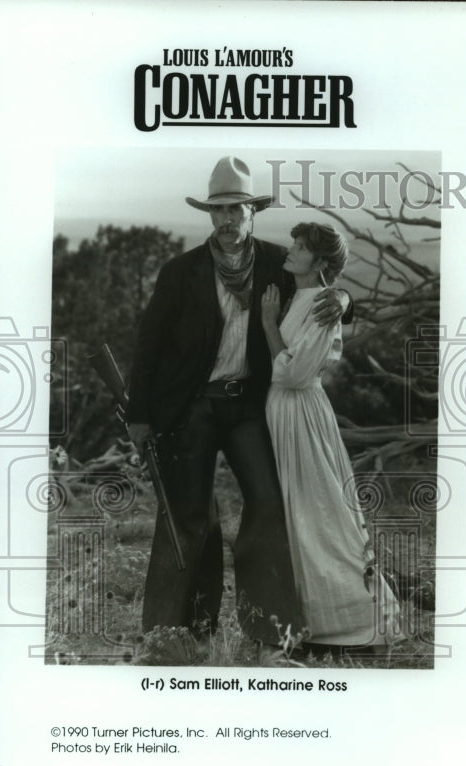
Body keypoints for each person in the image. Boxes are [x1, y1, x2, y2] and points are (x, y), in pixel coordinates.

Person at [126, 156, 352, 645]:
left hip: (249, 407)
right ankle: (177, 632)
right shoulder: (180, 272)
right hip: (192, 407)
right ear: (210, 215)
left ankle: (272, 629)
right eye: (219, 211)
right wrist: (139, 416)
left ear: (253, 212)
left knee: (269, 504)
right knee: (189, 516)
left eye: (237, 210)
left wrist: (346, 301)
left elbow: (322, 289)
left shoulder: (277, 263)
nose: (228, 221)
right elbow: (147, 347)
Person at [260, 222, 402, 648]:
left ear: (320, 261)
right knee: (295, 512)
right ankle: (305, 617)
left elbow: (294, 373)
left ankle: (350, 620)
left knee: (320, 510)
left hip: (299, 410)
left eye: (300, 247)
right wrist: (339, 295)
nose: (291, 249)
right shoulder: (299, 292)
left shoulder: (323, 304)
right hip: (281, 411)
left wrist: (270, 323)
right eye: (294, 242)